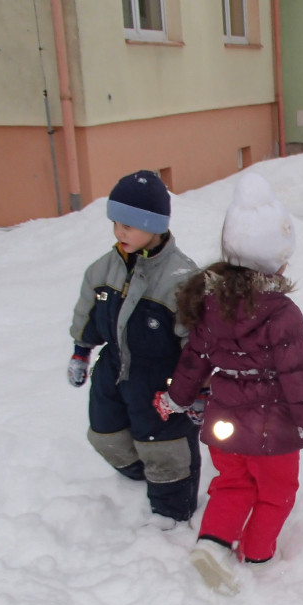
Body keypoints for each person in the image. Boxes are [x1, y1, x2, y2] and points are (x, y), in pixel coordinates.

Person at [153, 173, 303, 595]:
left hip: (224, 426)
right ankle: (259, 553)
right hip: (274, 433)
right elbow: (296, 375)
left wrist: (176, 399)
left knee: (231, 483)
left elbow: (193, 359)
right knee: (276, 492)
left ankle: (212, 545)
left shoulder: (211, 303)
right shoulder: (282, 313)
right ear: (278, 263)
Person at [68, 169, 201, 525]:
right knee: (105, 433)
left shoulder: (181, 280)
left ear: (155, 226)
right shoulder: (103, 270)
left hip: (161, 381)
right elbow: (87, 313)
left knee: (165, 446)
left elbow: (197, 344)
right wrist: (81, 351)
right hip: (113, 370)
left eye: (129, 225)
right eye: (116, 223)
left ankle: (171, 514)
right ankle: (137, 473)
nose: (119, 232)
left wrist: (197, 390)